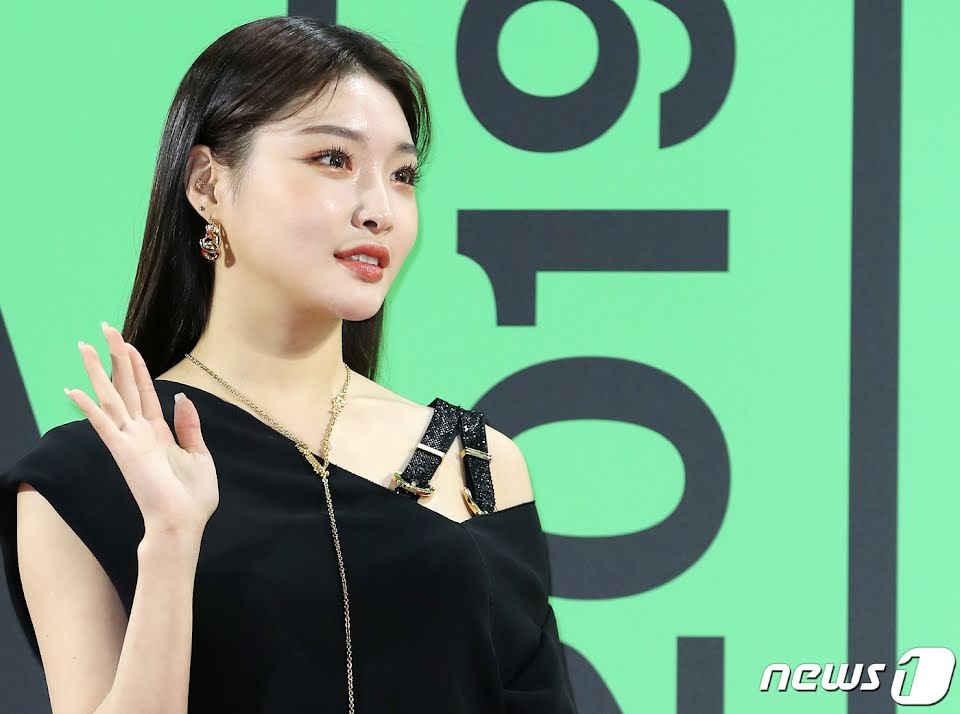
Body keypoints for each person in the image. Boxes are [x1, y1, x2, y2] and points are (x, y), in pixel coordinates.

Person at [0, 16, 578, 714]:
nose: (380, 210)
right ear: (208, 184)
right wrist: (172, 544)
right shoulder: (87, 475)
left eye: (402, 176)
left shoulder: (477, 463)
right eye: (333, 159)